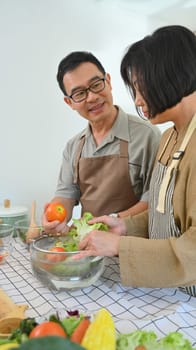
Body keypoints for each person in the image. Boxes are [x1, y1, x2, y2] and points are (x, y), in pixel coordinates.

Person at [76, 25, 196, 297]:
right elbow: (163, 215)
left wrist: (119, 246)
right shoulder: (168, 137)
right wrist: (124, 226)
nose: (138, 100)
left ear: (171, 76)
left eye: (142, 88)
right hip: (172, 288)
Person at [42, 51, 160, 233]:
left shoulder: (147, 135)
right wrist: (53, 217)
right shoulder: (73, 146)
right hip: (89, 248)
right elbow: (65, 195)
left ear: (109, 81)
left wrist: (108, 223)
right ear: (69, 102)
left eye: (96, 85)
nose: (92, 97)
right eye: (79, 94)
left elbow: (153, 200)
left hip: (132, 247)